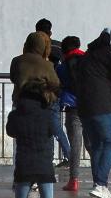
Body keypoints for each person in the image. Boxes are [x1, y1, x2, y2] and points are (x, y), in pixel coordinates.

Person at [72, 28, 111, 198]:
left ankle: (98, 186)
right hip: (102, 107)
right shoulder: (106, 52)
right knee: (109, 144)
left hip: (84, 109)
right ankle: (100, 184)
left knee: (98, 146)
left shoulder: (88, 55)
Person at [5, 76, 60, 198]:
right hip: (44, 165)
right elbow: (53, 130)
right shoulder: (48, 114)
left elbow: (10, 132)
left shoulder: (15, 115)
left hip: (24, 165)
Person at [34, 19, 70, 169]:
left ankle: (65, 156)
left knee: (49, 126)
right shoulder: (59, 46)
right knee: (54, 125)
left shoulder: (34, 46)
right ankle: (60, 157)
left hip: (39, 92)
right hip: (55, 91)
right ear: (51, 31)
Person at [55, 35, 86, 192]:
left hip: (73, 107)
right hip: (90, 107)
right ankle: (101, 181)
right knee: (94, 144)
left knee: (75, 145)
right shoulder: (89, 62)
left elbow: (56, 83)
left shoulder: (62, 67)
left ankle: (74, 180)